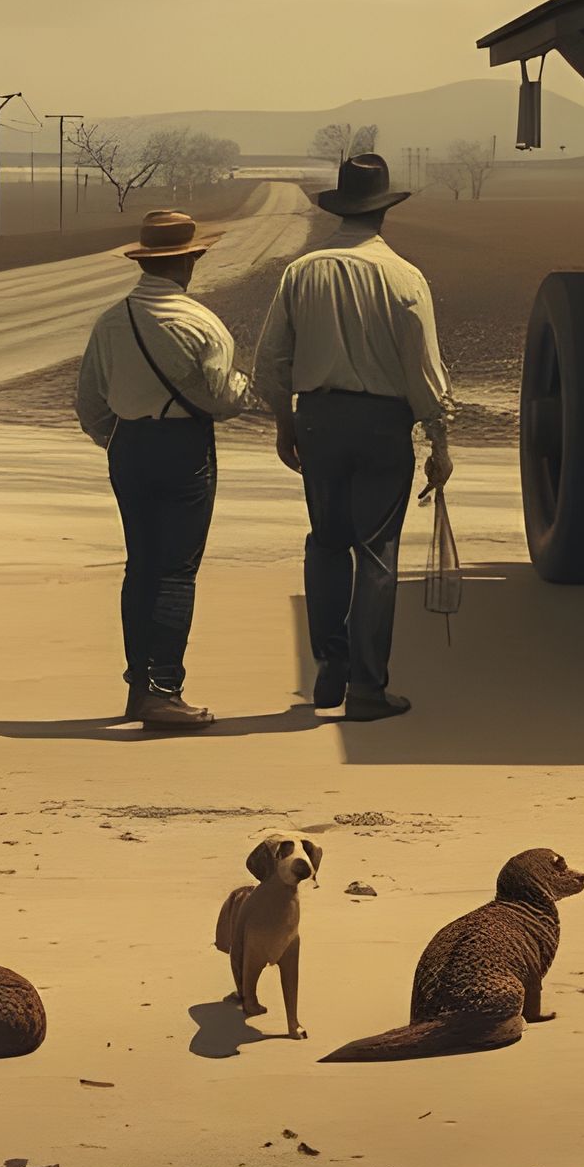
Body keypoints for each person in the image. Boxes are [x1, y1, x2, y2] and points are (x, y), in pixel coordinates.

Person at [254, 150, 452, 723]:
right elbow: (423, 370)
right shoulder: (404, 276)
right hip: (382, 424)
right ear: (384, 212)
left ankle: (330, 660)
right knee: (377, 552)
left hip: (319, 419)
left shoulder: (302, 272)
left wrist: (285, 423)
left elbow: (271, 361)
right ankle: (367, 685)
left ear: (339, 209)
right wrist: (438, 442)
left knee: (326, 541)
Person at [75, 208, 251, 731]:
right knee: (177, 570)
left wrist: (120, 438)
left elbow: (90, 402)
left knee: (141, 566)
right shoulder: (201, 323)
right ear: (189, 261)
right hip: (182, 448)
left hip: (129, 446)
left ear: (145, 262)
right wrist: (244, 387)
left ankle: (138, 686)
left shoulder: (111, 321)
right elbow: (222, 399)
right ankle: (164, 690)